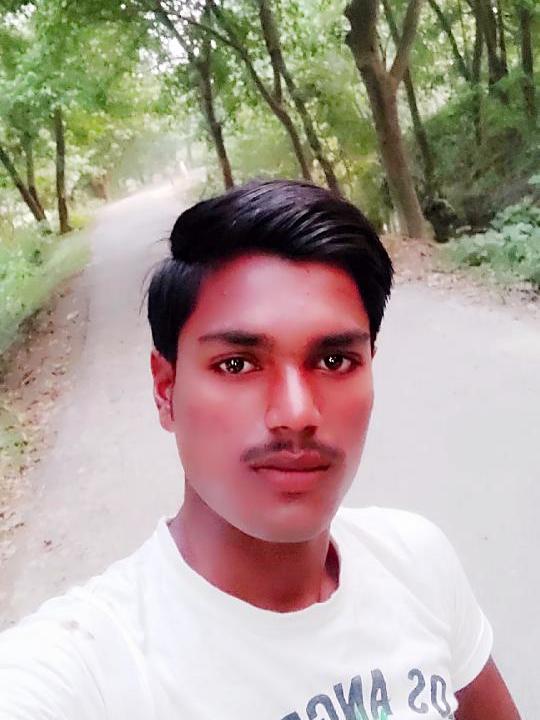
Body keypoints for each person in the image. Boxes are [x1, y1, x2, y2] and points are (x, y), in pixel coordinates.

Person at [0, 180, 520, 720]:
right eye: (237, 365)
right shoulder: (93, 668)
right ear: (165, 389)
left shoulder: (416, 564)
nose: (297, 412)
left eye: (335, 361)